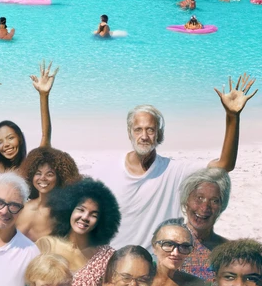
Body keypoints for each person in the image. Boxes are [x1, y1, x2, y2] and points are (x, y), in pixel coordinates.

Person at [90, 80, 255, 247]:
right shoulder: (105, 170)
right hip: (115, 263)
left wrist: (232, 117)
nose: (144, 136)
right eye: (138, 129)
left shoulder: (174, 171)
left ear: (159, 134)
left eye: (150, 130)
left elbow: (224, 165)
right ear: (129, 133)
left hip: (160, 264)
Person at [38, 178, 121, 286]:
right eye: (81, 210)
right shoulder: (46, 245)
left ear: (100, 221)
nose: (85, 217)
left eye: (93, 215)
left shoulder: (106, 257)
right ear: (69, 210)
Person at [0, 62, 58, 173]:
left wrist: (43, 95)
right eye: (0, 142)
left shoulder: (29, 168)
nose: (6, 145)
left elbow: (45, 138)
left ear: (20, 139)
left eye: (10, 138)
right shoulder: (3, 169)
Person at [147, 219, 216, 286]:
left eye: (184, 247)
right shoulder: (138, 281)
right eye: (168, 244)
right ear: (154, 247)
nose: (176, 253)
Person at [16, 146, 80, 241]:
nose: (43, 178)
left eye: (49, 174)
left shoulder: (63, 215)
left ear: (60, 178)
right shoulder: (23, 207)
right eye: (38, 173)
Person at [179, 168, 231, 280]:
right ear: (186, 200)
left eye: (214, 201)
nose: (204, 208)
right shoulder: (165, 246)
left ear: (222, 206)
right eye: (199, 198)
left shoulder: (229, 252)